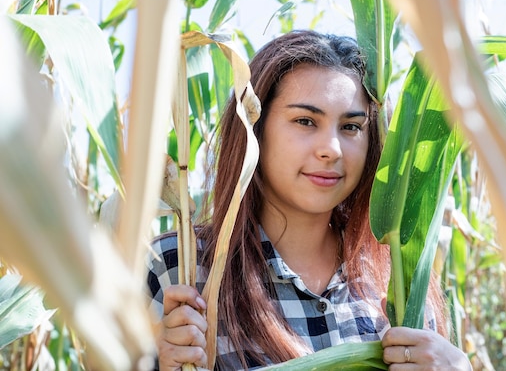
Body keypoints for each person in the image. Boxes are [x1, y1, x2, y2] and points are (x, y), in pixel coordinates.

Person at [146, 30, 472, 370]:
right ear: (253, 127)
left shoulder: (398, 281)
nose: (331, 149)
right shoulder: (178, 269)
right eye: (305, 121)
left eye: (350, 127)